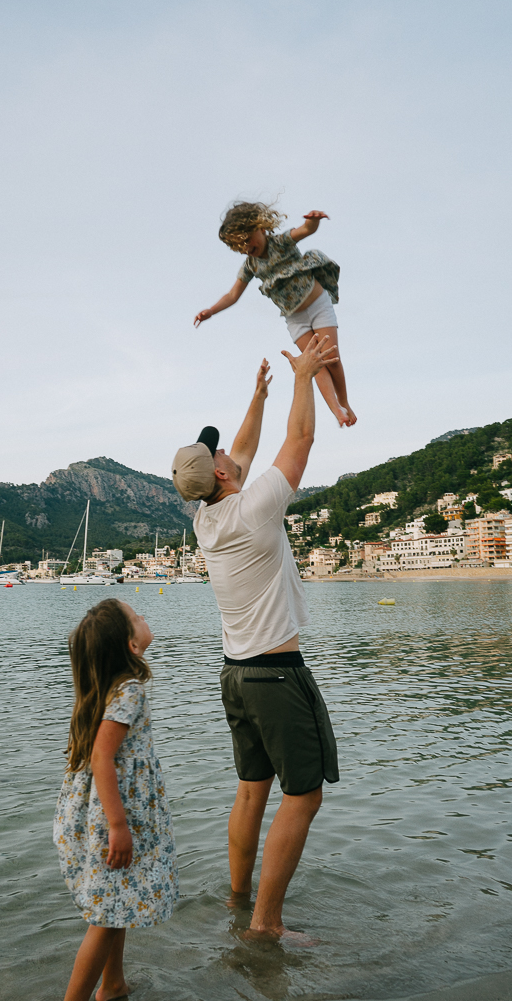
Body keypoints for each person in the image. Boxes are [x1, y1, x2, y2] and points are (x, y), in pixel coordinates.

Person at [171, 338, 340, 943]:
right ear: (219, 474)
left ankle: (239, 900)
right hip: (275, 673)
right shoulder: (253, 510)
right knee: (305, 796)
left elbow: (239, 450)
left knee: (251, 793)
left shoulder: (206, 516)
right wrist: (303, 377)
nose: (230, 455)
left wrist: (257, 395)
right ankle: (265, 926)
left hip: (235, 675)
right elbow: (300, 444)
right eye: (219, 457)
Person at [54, 598, 178, 1001]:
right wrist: (119, 827)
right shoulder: (128, 690)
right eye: (137, 617)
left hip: (99, 810)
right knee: (105, 917)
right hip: (115, 815)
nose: (145, 618)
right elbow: (102, 757)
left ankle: (113, 985)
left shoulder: (106, 688)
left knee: (115, 903)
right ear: (131, 644)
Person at [194, 200, 356, 428]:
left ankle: (344, 401)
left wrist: (313, 221)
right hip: (295, 318)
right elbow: (233, 295)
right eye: (240, 246)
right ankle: (336, 410)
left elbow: (305, 231)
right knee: (314, 364)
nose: (247, 248)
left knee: (331, 358)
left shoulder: (281, 242)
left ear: (260, 227)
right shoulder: (250, 265)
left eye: (248, 240)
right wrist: (211, 310)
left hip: (318, 303)